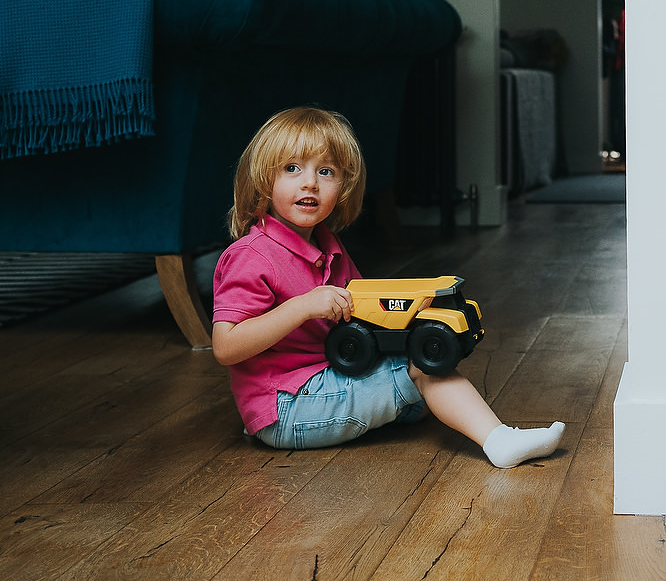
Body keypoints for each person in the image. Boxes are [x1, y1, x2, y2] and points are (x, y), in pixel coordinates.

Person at [211, 105, 564, 466]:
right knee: (424, 370)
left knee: (426, 367)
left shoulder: (327, 244)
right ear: (262, 178)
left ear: (343, 186)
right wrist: (300, 307)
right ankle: (499, 441)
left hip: (324, 378)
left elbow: (363, 316)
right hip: (287, 405)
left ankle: (433, 404)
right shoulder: (252, 256)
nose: (310, 183)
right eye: (292, 168)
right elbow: (225, 347)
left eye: (326, 171)